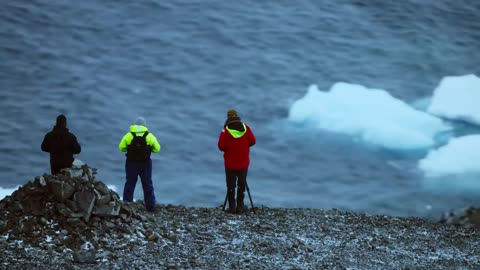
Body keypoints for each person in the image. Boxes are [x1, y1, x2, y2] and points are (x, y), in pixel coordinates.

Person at [118, 116, 161, 212]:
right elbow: (157, 149)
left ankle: (127, 205)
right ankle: (150, 207)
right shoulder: (149, 136)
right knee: (147, 184)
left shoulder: (129, 135)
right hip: (145, 164)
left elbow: (121, 148)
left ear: (135, 124)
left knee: (130, 183)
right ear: (144, 125)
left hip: (131, 163)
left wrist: (130, 148)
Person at [218, 109, 256, 214]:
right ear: (236, 116)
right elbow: (253, 141)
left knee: (231, 185)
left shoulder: (225, 131)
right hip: (243, 161)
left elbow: (221, 146)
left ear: (228, 118)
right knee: (241, 184)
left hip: (230, 163)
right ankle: (240, 206)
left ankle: (232, 207)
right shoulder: (246, 127)